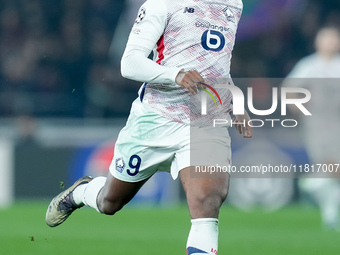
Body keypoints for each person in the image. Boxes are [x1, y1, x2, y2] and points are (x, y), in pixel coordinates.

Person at [46, 0, 252, 254]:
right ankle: (81, 192)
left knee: (207, 203)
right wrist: (174, 74)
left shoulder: (233, 5)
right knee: (110, 201)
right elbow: (129, 63)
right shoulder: (162, 4)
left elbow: (216, 65)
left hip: (204, 120)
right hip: (155, 118)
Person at [286, 26, 340, 230]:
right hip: (316, 122)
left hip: (337, 121)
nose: (330, 43)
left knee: (331, 170)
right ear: (318, 42)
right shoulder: (309, 65)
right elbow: (288, 89)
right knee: (328, 164)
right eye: (326, 39)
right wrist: (298, 107)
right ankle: (317, 187)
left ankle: (316, 188)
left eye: (333, 39)